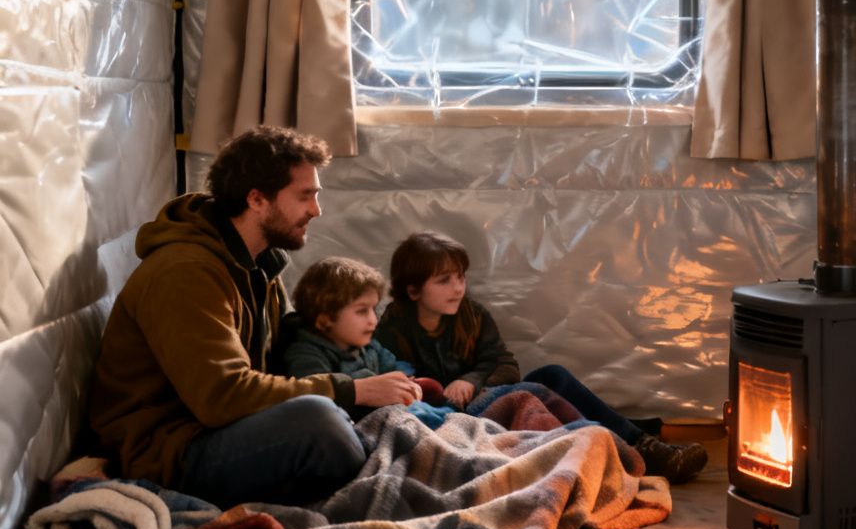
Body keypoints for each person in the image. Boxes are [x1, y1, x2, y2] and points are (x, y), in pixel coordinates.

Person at [88, 127, 419, 507]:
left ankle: (364, 474)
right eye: (304, 196)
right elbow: (222, 397)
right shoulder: (183, 272)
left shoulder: (258, 264)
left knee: (362, 416)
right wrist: (351, 390)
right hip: (169, 451)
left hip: (220, 428)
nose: (316, 210)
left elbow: (292, 349)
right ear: (257, 199)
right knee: (321, 423)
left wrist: (369, 383)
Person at [374, 231, 708, 485]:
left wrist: (473, 380)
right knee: (531, 394)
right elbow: (399, 382)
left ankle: (644, 444)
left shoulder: (472, 315)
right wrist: (442, 391)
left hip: (486, 396)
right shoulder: (391, 328)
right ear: (413, 290)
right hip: (452, 418)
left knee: (553, 375)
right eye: (444, 280)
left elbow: (505, 365)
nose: (458, 288)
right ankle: (627, 453)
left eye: (461, 277)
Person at [279, 257, 444, 412]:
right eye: (362, 311)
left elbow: (391, 366)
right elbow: (318, 402)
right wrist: (364, 382)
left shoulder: (370, 346)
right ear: (325, 320)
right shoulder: (306, 355)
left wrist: (407, 381)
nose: (373, 320)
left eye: (374, 309)